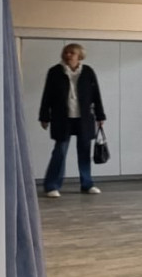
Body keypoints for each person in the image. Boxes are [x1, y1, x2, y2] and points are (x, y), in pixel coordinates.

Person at [39, 42, 106, 197]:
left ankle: (87, 184)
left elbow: (96, 95)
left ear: (79, 56)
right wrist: (44, 116)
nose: (68, 55)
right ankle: (52, 186)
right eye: (66, 52)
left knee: (84, 152)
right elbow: (47, 95)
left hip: (84, 118)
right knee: (60, 152)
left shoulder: (88, 71)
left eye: (72, 53)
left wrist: (100, 115)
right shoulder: (55, 71)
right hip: (62, 118)